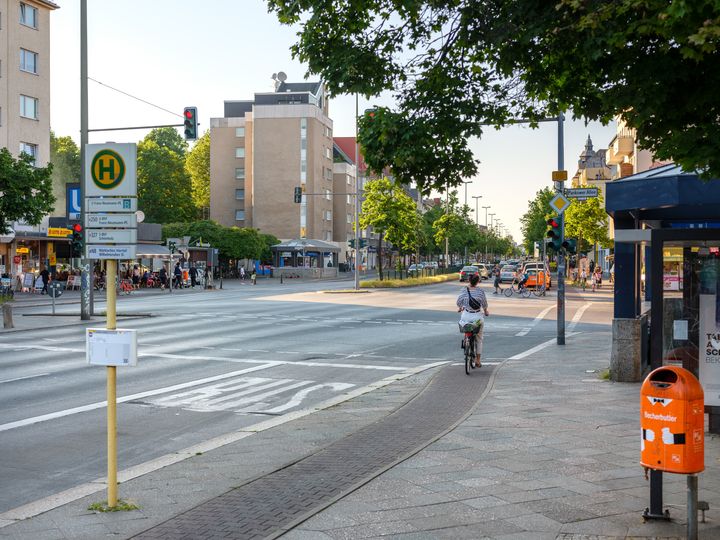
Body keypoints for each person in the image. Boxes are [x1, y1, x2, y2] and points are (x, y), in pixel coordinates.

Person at [456, 273, 490, 368]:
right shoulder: (480, 291)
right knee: (479, 339)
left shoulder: (464, 290)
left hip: (466, 316)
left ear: (469, 281)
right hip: (477, 317)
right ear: (478, 281)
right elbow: (484, 303)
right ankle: (478, 360)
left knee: (466, 327)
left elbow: (458, 302)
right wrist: (486, 311)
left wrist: (460, 307)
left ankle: (466, 339)